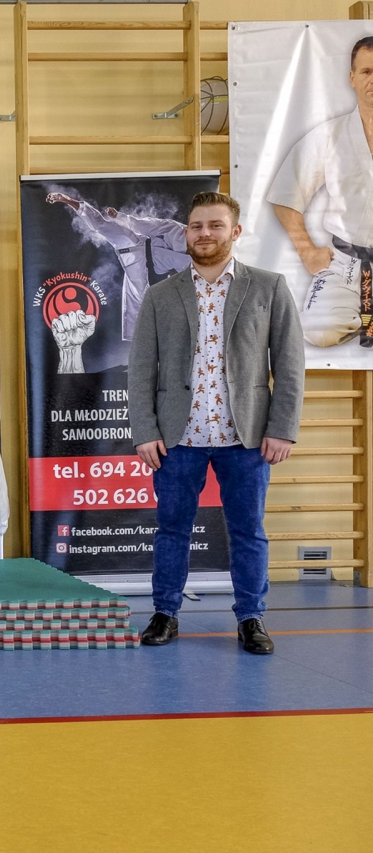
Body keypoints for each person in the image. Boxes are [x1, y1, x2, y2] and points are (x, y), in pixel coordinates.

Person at [128, 192, 305, 655]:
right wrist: (145, 430)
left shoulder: (268, 287)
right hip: (176, 438)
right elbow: (141, 369)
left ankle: (251, 618)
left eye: (215, 225)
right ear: (186, 232)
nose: (204, 233)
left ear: (235, 231)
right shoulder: (160, 295)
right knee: (172, 529)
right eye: (196, 226)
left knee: (248, 531)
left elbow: (289, 364)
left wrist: (282, 427)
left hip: (247, 438)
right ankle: (165, 612)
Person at [269, 36, 373, 349]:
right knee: (317, 330)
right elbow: (286, 195)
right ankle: (360, 315)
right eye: (366, 71)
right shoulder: (330, 135)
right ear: (352, 77)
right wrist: (307, 251)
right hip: (345, 262)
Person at [46, 192, 189, 341]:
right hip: (138, 245)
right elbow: (147, 225)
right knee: (101, 225)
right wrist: (120, 217)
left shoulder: (193, 259)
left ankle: (158, 338)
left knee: (147, 304)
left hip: (153, 268)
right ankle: (67, 200)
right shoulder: (175, 228)